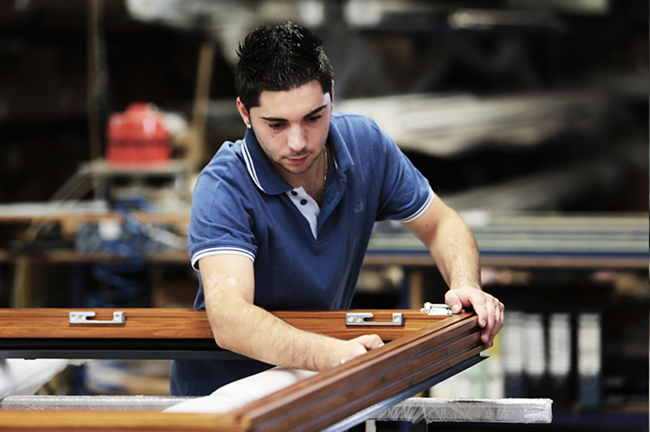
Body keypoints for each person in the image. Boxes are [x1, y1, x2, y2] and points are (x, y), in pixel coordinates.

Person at [171, 22, 504, 396]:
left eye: (313, 118)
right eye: (276, 124)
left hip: (319, 381)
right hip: (224, 396)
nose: (298, 142)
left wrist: (465, 285)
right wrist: (333, 355)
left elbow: (441, 224)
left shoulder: (366, 146)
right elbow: (230, 318)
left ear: (331, 94)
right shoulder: (224, 186)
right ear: (245, 114)